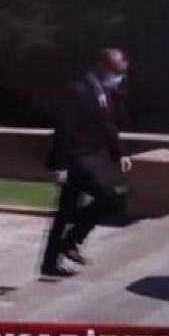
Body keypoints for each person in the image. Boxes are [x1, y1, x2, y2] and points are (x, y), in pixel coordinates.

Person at [41, 48, 132, 277]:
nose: (119, 78)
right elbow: (64, 127)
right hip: (76, 158)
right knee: (110, 200)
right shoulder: (78, 90)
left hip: (90, 156)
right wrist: (60, 165)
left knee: (65, 212)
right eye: (116, 72)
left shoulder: (103, 92)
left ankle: (51, 262)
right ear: (102, 67)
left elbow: (108, 126)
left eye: (121, 73)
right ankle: (70, 242)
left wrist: (119, 154)